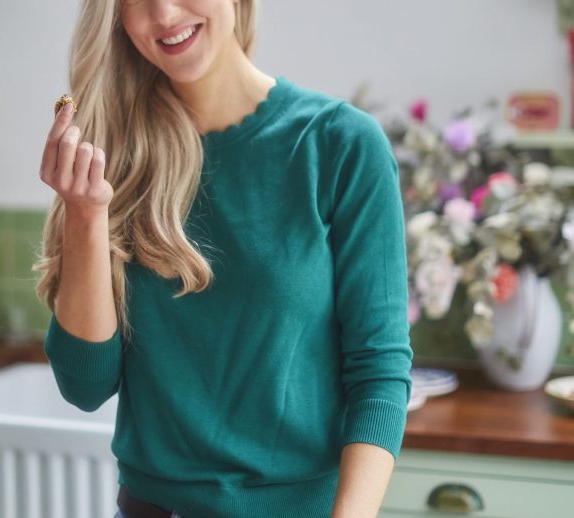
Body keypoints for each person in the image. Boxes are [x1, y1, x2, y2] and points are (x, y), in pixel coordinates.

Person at [34, 0, 413, 516]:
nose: (164, 13)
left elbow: (379, 371)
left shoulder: (339, 145)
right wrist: (85, 214)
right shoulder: (110, 159)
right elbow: (84, 385)